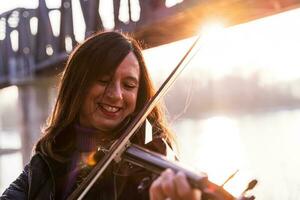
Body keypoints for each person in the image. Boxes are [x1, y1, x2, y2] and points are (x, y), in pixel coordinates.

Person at [0, 31, 201, 200]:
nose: (116, 95)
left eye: (129, 85)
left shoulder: (152, 162)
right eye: (103, 80)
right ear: (77, 86)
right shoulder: (48, 159)